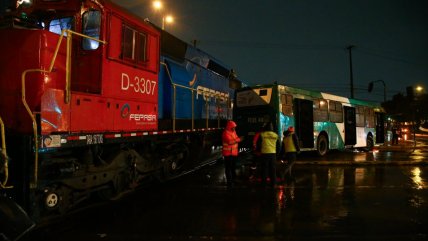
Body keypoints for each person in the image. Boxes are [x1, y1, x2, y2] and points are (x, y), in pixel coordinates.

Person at [222, 120, 242, 187]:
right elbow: (230, 142)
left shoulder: (233, 132)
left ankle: (233, 180)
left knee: (233, 167)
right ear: (230, 127)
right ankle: (229, 182)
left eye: (234, 127)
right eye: (233, 127)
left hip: (233, 153)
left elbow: (235, 139)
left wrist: (237, 139)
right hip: (228, 154)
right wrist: (239, 140)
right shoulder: (225, 133)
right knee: (228, 168)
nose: (234, 128)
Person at [259, 122, 279, 187]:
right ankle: (274, 183)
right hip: (273, 153)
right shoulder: (275, 135)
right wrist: (277, 153)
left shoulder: (262, 134)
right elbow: (278, 145)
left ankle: (264, 183)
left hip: (264, 153)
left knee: (264, 168)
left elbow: (259, 144)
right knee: (273, 169)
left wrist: (259, 151)